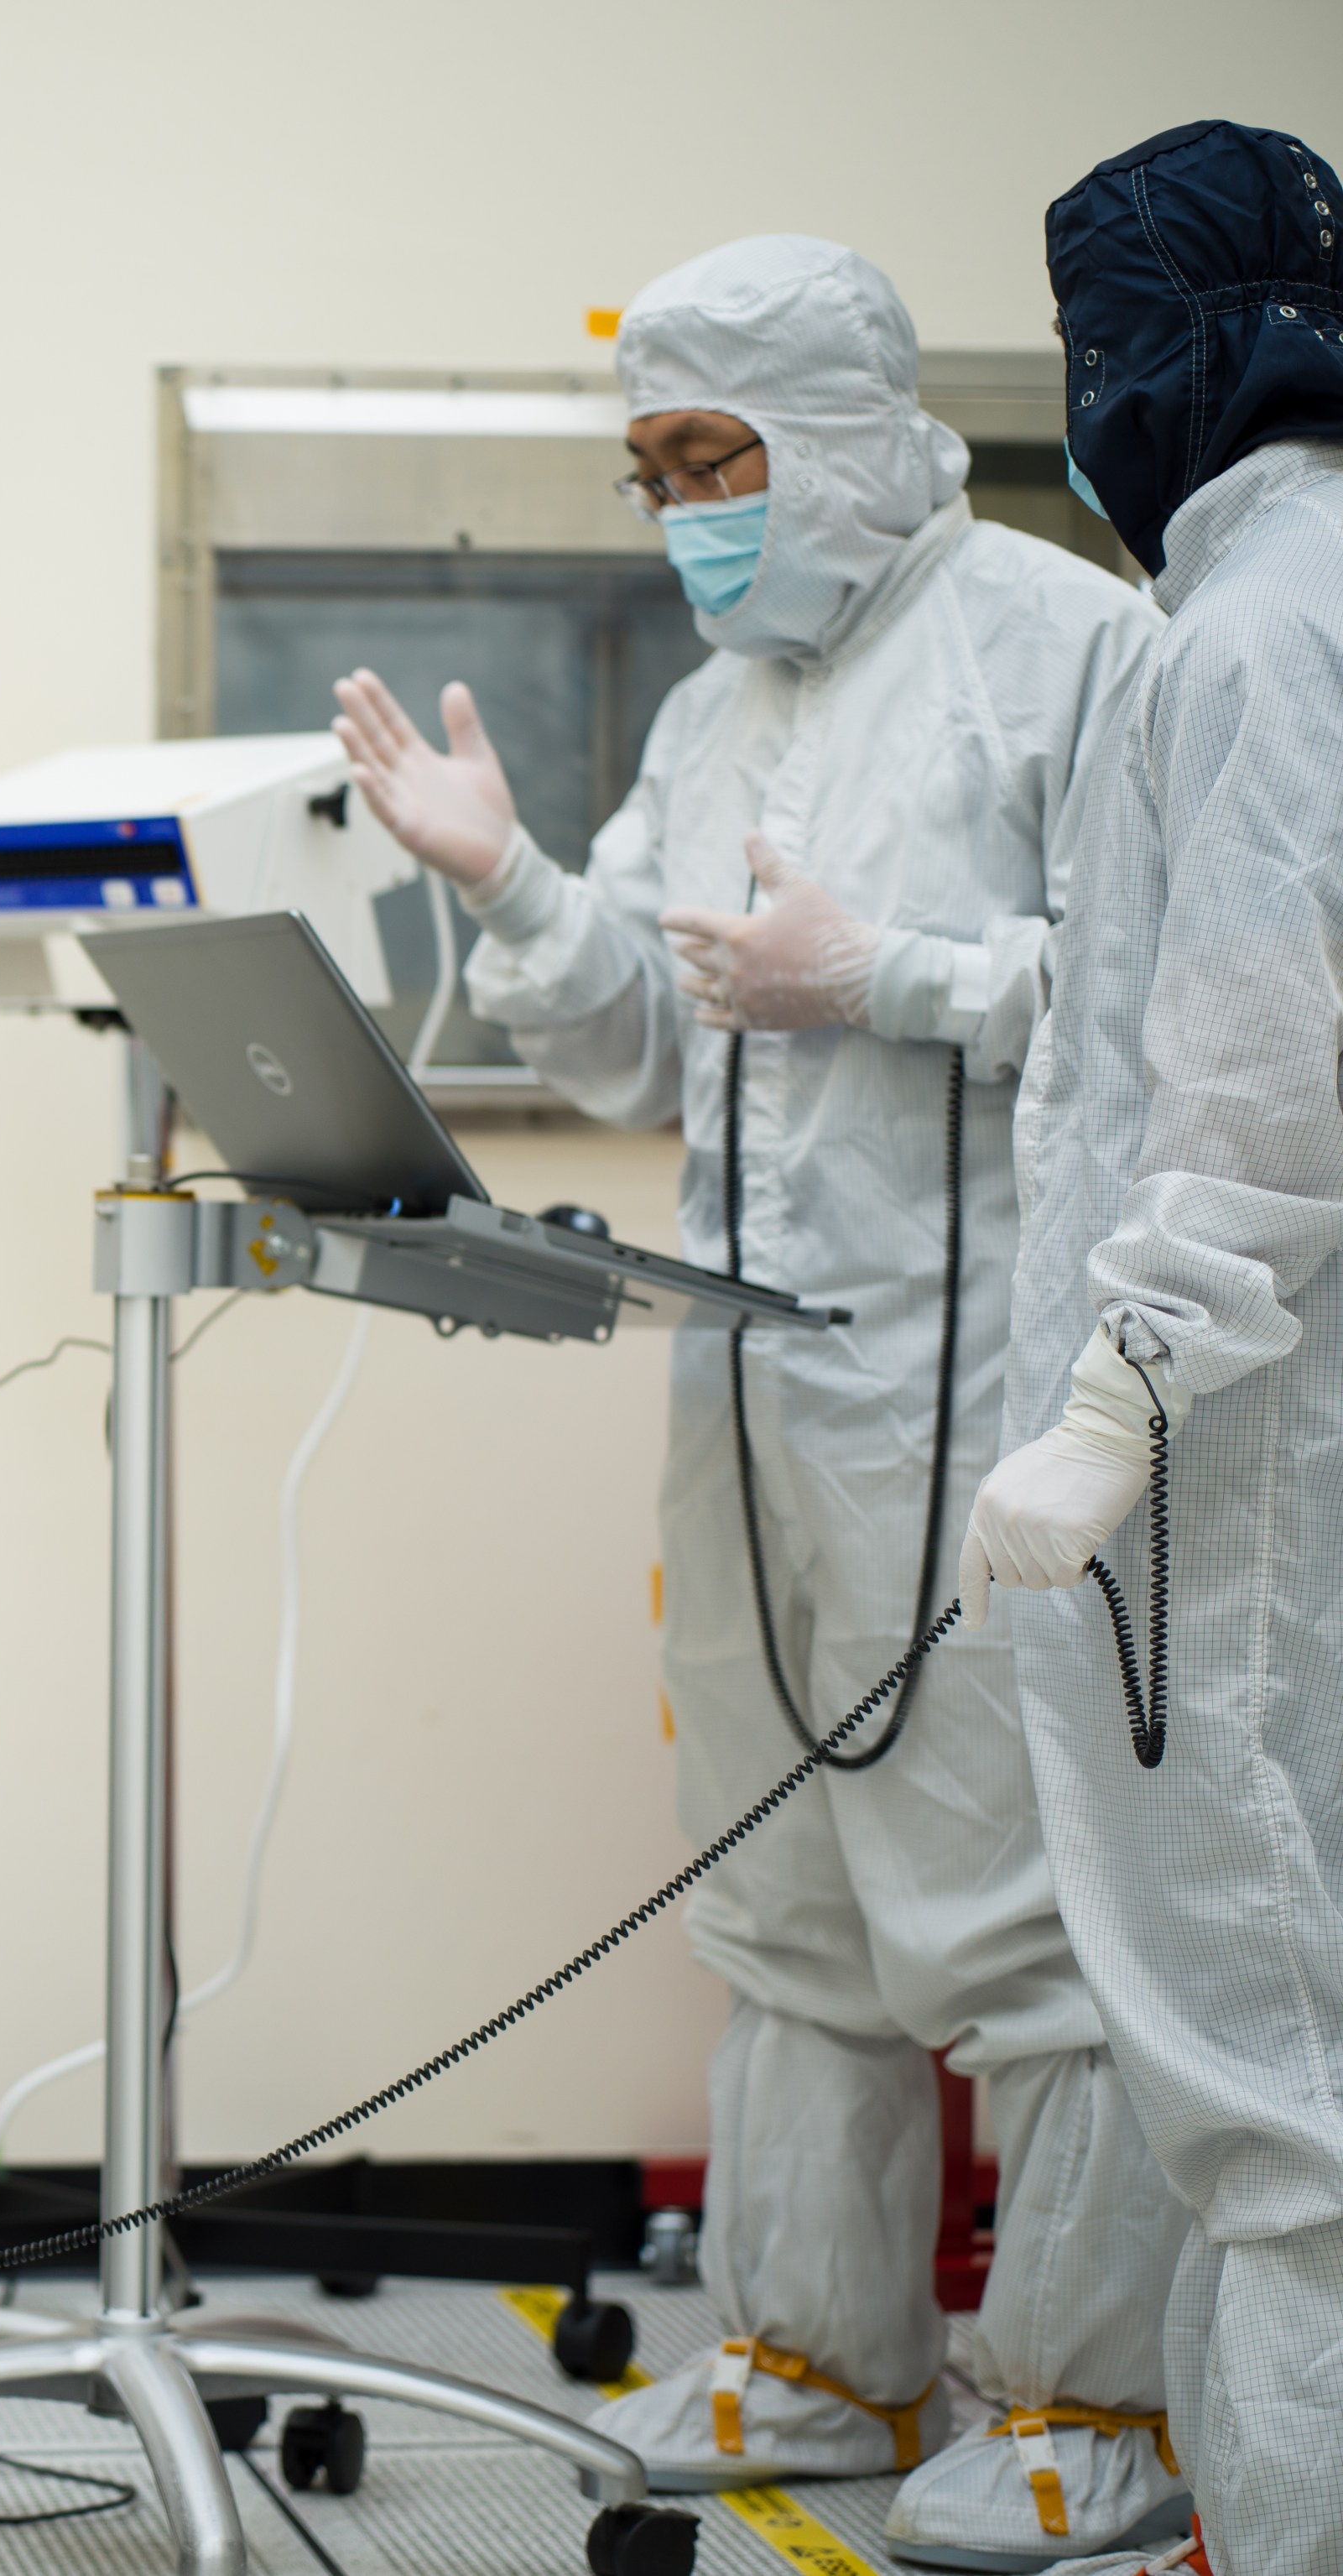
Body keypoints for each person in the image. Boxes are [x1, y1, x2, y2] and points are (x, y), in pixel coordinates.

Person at [331, 235, 1184, 2567]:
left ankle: (1097, 2403)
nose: (684, 512)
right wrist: (505, 876)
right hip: (753, 1403)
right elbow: (636, 1038)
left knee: (1022, 1919)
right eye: (652, 474)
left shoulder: (1072, 649)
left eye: (713, 459)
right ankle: (823, 2355)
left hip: (995, 1397)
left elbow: (1167, 1006)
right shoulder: (717, 714)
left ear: (837, 436)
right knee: (787, 1892)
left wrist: (883, 973)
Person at [959, 119, 1343, 2576]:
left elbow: (1254, 1061)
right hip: (1246, 1443)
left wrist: (1114, 1402)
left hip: (1226, 1466)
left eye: (1102, 349)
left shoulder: (1260, 627)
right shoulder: (1263, 602)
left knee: (1263, 2071)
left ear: (1186, 352)